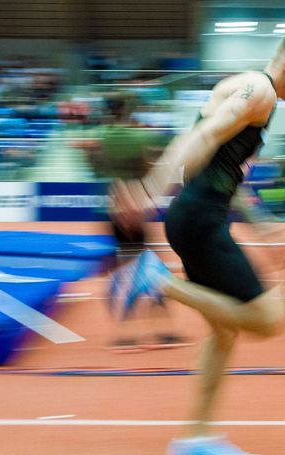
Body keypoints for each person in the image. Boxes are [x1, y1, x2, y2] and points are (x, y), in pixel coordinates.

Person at [112, 27, 285, 454]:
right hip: (197, 219)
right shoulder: (259, 91)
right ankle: (155, 280)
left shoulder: (249, 88)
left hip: (200, 216)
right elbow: (201, 138)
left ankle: (194, 438)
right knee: (269, 319)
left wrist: (264, 225)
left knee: (224, 333)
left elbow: (226, 169)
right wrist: (151, 190)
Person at [75, 94, 188, 352]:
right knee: (153, 267)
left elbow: (94, 167)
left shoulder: (100, 137)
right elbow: (151, 165)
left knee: (124, 269)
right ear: (129, 111)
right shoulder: (139, 136)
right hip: (136, 206)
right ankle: (163, 329)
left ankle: (124, 333)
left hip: (115, 206)